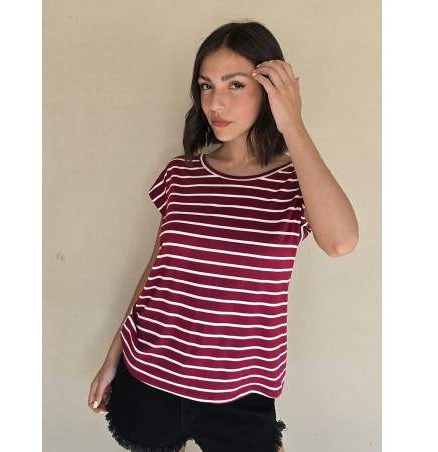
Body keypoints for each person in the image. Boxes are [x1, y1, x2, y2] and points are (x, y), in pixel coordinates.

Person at [88, 21, 358, 452]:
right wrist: (113, 356)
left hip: (241, 393)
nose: (215, 102)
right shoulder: (181, 174)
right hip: (150, 374)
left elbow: (341, 242)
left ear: (270, 90)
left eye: (235, 85)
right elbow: (159, 272)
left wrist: (293, 123)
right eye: (206, 85)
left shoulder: (295, 183)